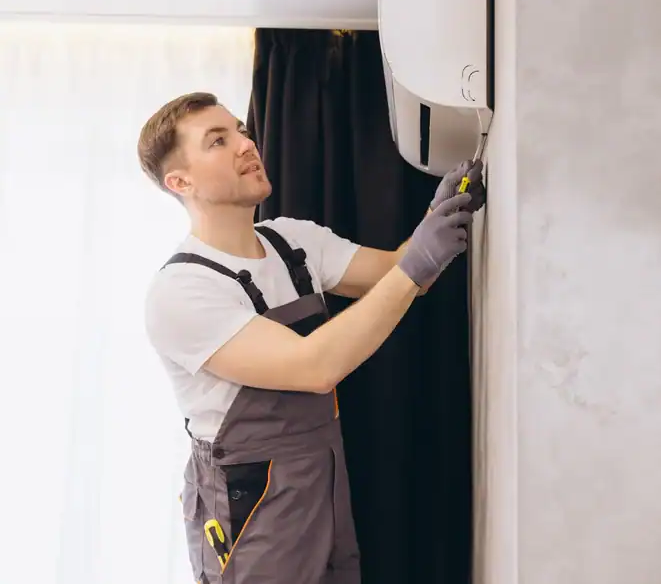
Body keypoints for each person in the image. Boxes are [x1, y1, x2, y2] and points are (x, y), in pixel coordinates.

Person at [139, 91, 485, 584]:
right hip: (251, 506)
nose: (244, 144)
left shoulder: (292, 242)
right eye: (218, 141)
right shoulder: (182, 291)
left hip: (322, 480)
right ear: (180, 181)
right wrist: (418, 263)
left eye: (240, 129)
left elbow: (393, 271)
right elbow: (313, 368)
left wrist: (438, 214)